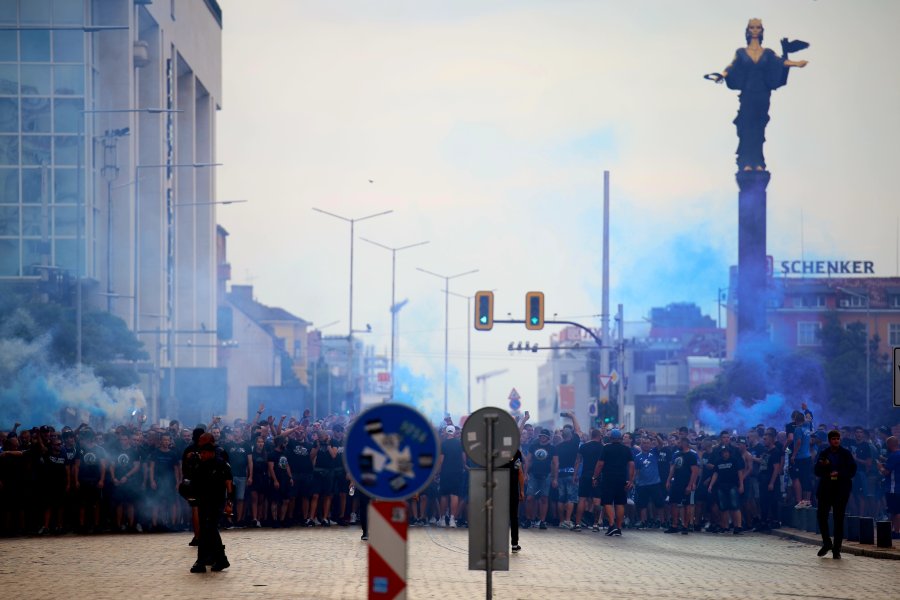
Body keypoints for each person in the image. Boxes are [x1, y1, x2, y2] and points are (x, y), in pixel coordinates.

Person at [712, 18, 808, 170]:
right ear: (748, 31)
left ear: (762, 31)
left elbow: (780, 62)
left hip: (762, 94)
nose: (755, 30)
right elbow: (732, 66)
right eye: (752, 27)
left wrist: (796, 63)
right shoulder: (741, 52)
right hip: (748, 94)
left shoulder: (767, 53)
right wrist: (722, 75)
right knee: (747, 126)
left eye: (758, 28)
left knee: (758, 127)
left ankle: (758, 162)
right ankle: (746, 162)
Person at [189, 440, 233, 573]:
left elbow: (229, 484)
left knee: (209, 529)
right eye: (201, 452)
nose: (201, 455)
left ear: (211, 453)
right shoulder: (200, 465)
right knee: (207, 530)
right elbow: (194, 482)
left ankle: (204, 561)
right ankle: (218, 560)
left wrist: (229, 503)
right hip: (203, 501)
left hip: (217, 502)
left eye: (204, 453)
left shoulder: (222, 465)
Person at [814, 430, 857, 559]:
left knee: (838, 519)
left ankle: (837, 549)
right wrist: (826, 470)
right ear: (829, 440)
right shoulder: (824, 453)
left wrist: (839, 473)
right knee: (822, 517)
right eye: (833, 439)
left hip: (841, 490)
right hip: (826, 489)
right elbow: (816, 470)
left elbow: (852, 470)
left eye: (838, 438)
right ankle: (827, 542)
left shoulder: (846, 454)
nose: (836, 441)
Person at [593, 429, 634, 536]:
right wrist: (630, 480)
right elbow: (631, 465)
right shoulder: (626, 449)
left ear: (610, 438)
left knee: (607, 502)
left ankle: (612, 525)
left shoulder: (606, 448)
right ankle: (619, 528)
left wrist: (595, 477)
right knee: (620, 503)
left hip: (608, 478)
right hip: (621, 479)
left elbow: (600, 464)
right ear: (620, 438)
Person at [524, 428, 557, 530]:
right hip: (533, 475)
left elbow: (555, 463)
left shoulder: (552, 448)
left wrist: (555, 478)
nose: (542, 437)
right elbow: (528, 460)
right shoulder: (533, 446)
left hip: (546, 475)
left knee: (544, 498)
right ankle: (528, 519)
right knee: (530, 498)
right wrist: (525, 474)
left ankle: (542, 521)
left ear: (548, 438)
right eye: (541, 436)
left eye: (544, 436)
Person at [876, 436, 900, 538]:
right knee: (894, 510)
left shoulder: (894, 455)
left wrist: (880, 467)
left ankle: (896, 532)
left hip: (893, 488)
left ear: (890, 445)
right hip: (897, 487)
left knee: (896, 511)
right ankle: (894, 532)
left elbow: (886, 472)